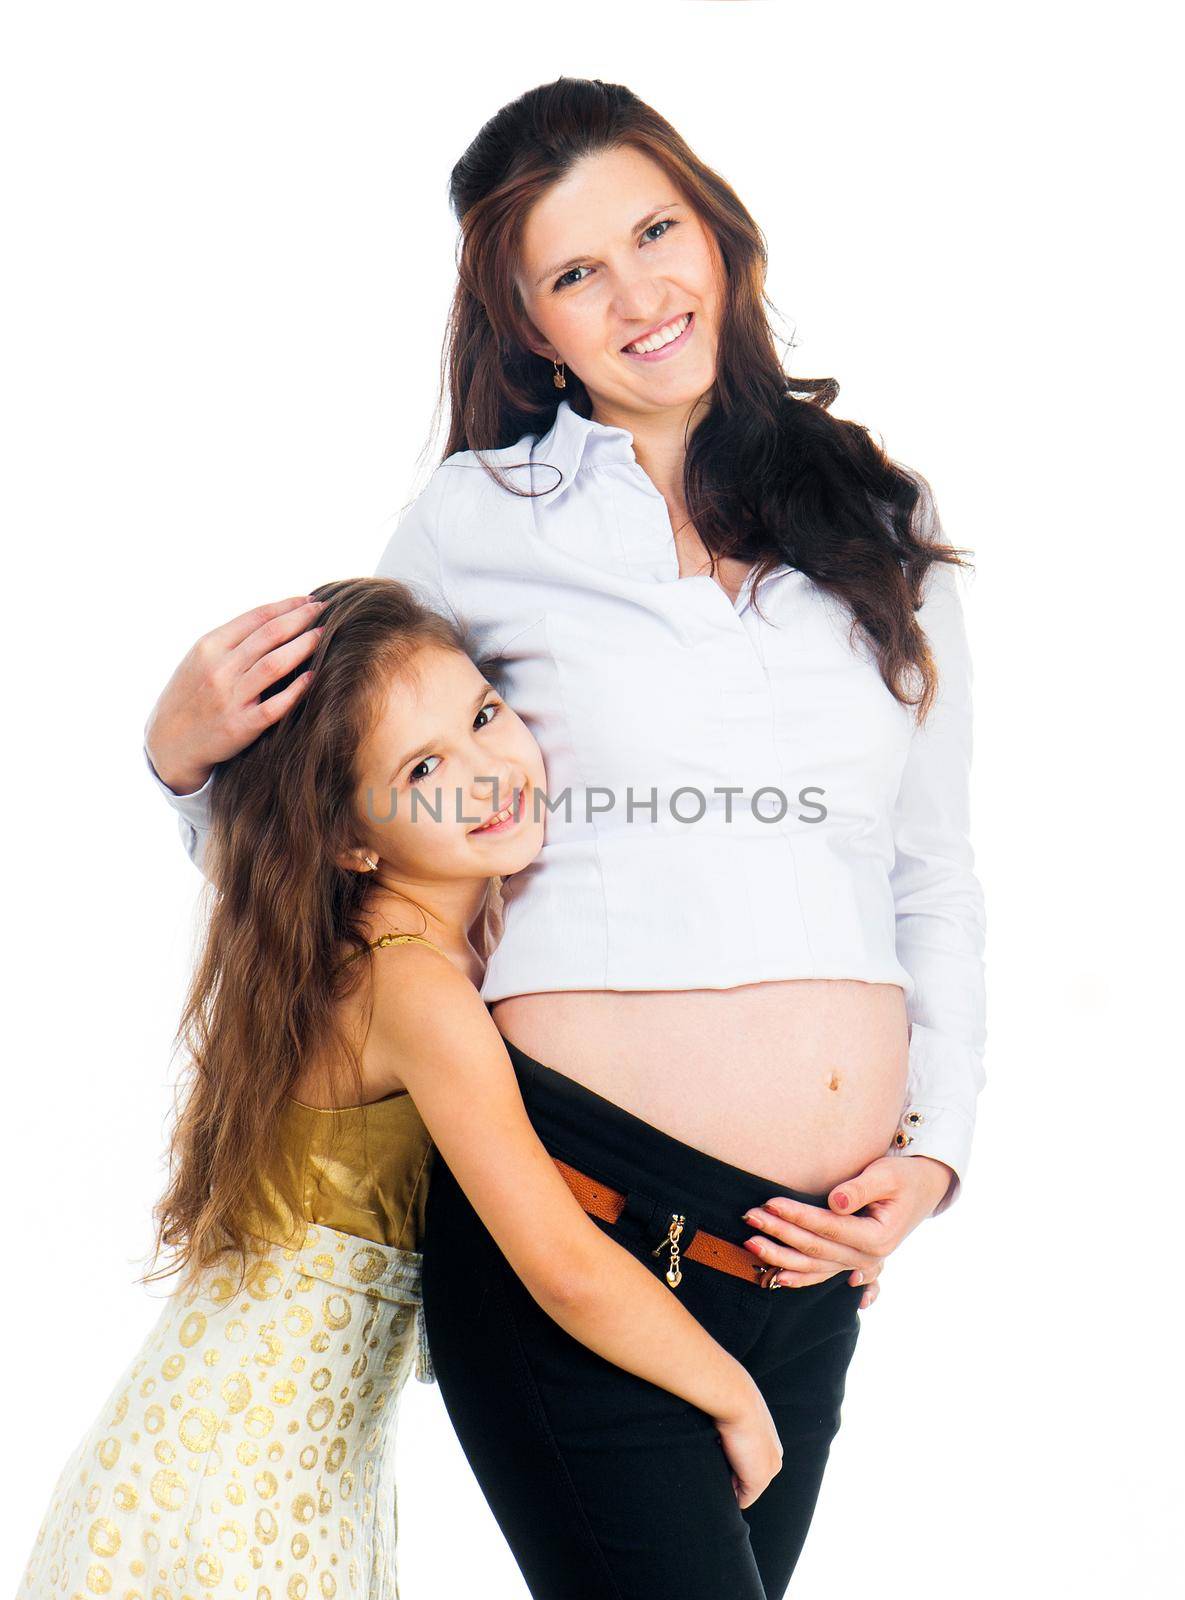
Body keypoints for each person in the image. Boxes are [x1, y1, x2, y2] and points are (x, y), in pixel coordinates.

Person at [141, 77, 986, 1600]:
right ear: (530, 325)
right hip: (577, 1226)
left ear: (719, 236)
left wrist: (937, 1156)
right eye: (574, 272)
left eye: (656, 232)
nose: (638, 292)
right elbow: (338, 812)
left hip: (804, 1269)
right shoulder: (478, 519)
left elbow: (929, 869)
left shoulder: (878, 515)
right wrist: (181, 764)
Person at [18, 579, 785, 1599]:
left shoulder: (351, 953)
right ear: (350, 841)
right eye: (424, 768)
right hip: (238, 1489)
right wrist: (733, 1393)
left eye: (482, 715)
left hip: (235, 1470)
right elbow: (558, 1259)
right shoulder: (416, 989)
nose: (485, 771)